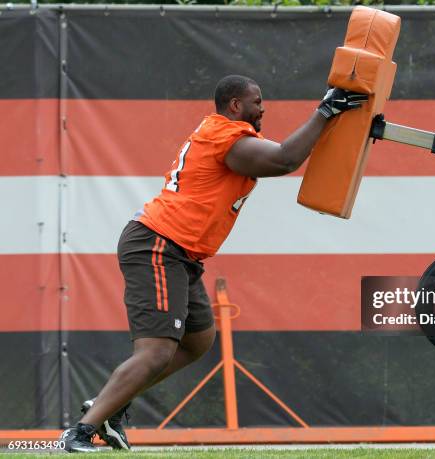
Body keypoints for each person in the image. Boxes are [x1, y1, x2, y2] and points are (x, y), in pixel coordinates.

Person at [60, 75, 367, 452]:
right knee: (156, 352)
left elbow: (291, 150)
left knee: (197, 341)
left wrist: (331, 118)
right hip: (159, 244)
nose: (263, 108)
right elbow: (285, 158)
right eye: (257, 101)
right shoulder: (227, 137)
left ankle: (110, 404)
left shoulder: (226, 134)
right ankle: (80, 431)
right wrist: (325, 111)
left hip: (180, 251)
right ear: (235, 105)